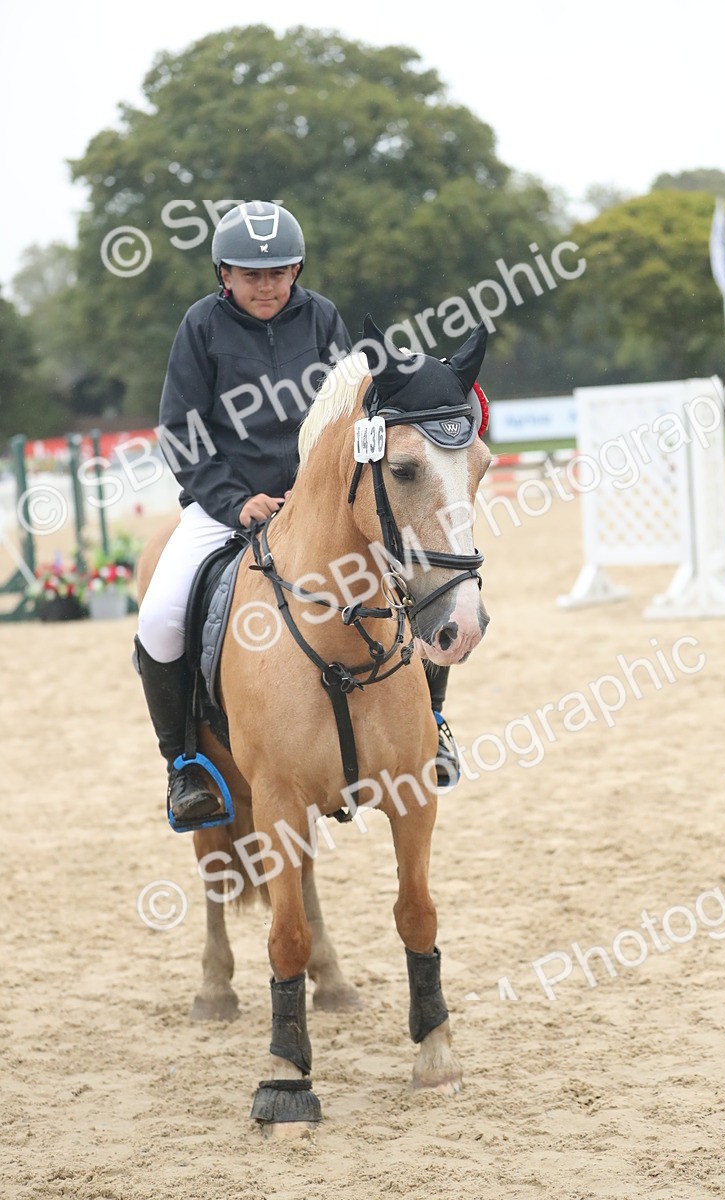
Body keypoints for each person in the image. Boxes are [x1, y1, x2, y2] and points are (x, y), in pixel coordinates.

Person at [134, 200, 459, 828]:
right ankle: (185, 767)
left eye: (279, 272)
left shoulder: (324, 319)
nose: (266, 285)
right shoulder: (200, 327)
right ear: (222, 274)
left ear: (297, 269)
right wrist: (234, 500)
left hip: (317, 507)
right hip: (224, 507)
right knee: (161, 617)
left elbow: (353, 409)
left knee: (421, 581)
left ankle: (432, 727)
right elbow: (181, 431)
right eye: (250, 274)